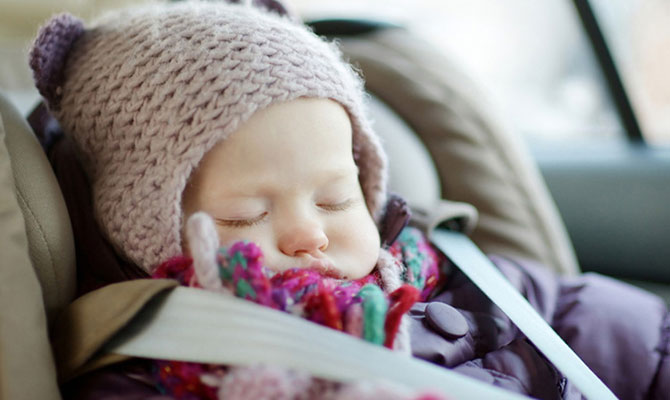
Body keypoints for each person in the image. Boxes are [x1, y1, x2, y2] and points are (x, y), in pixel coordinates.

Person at [28, 1, 669, 399]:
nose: (309, 234)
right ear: (135, 228)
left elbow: (641, 341)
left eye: (336, 199)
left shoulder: (472, 284)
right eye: (245, 215)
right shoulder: (155, 371)